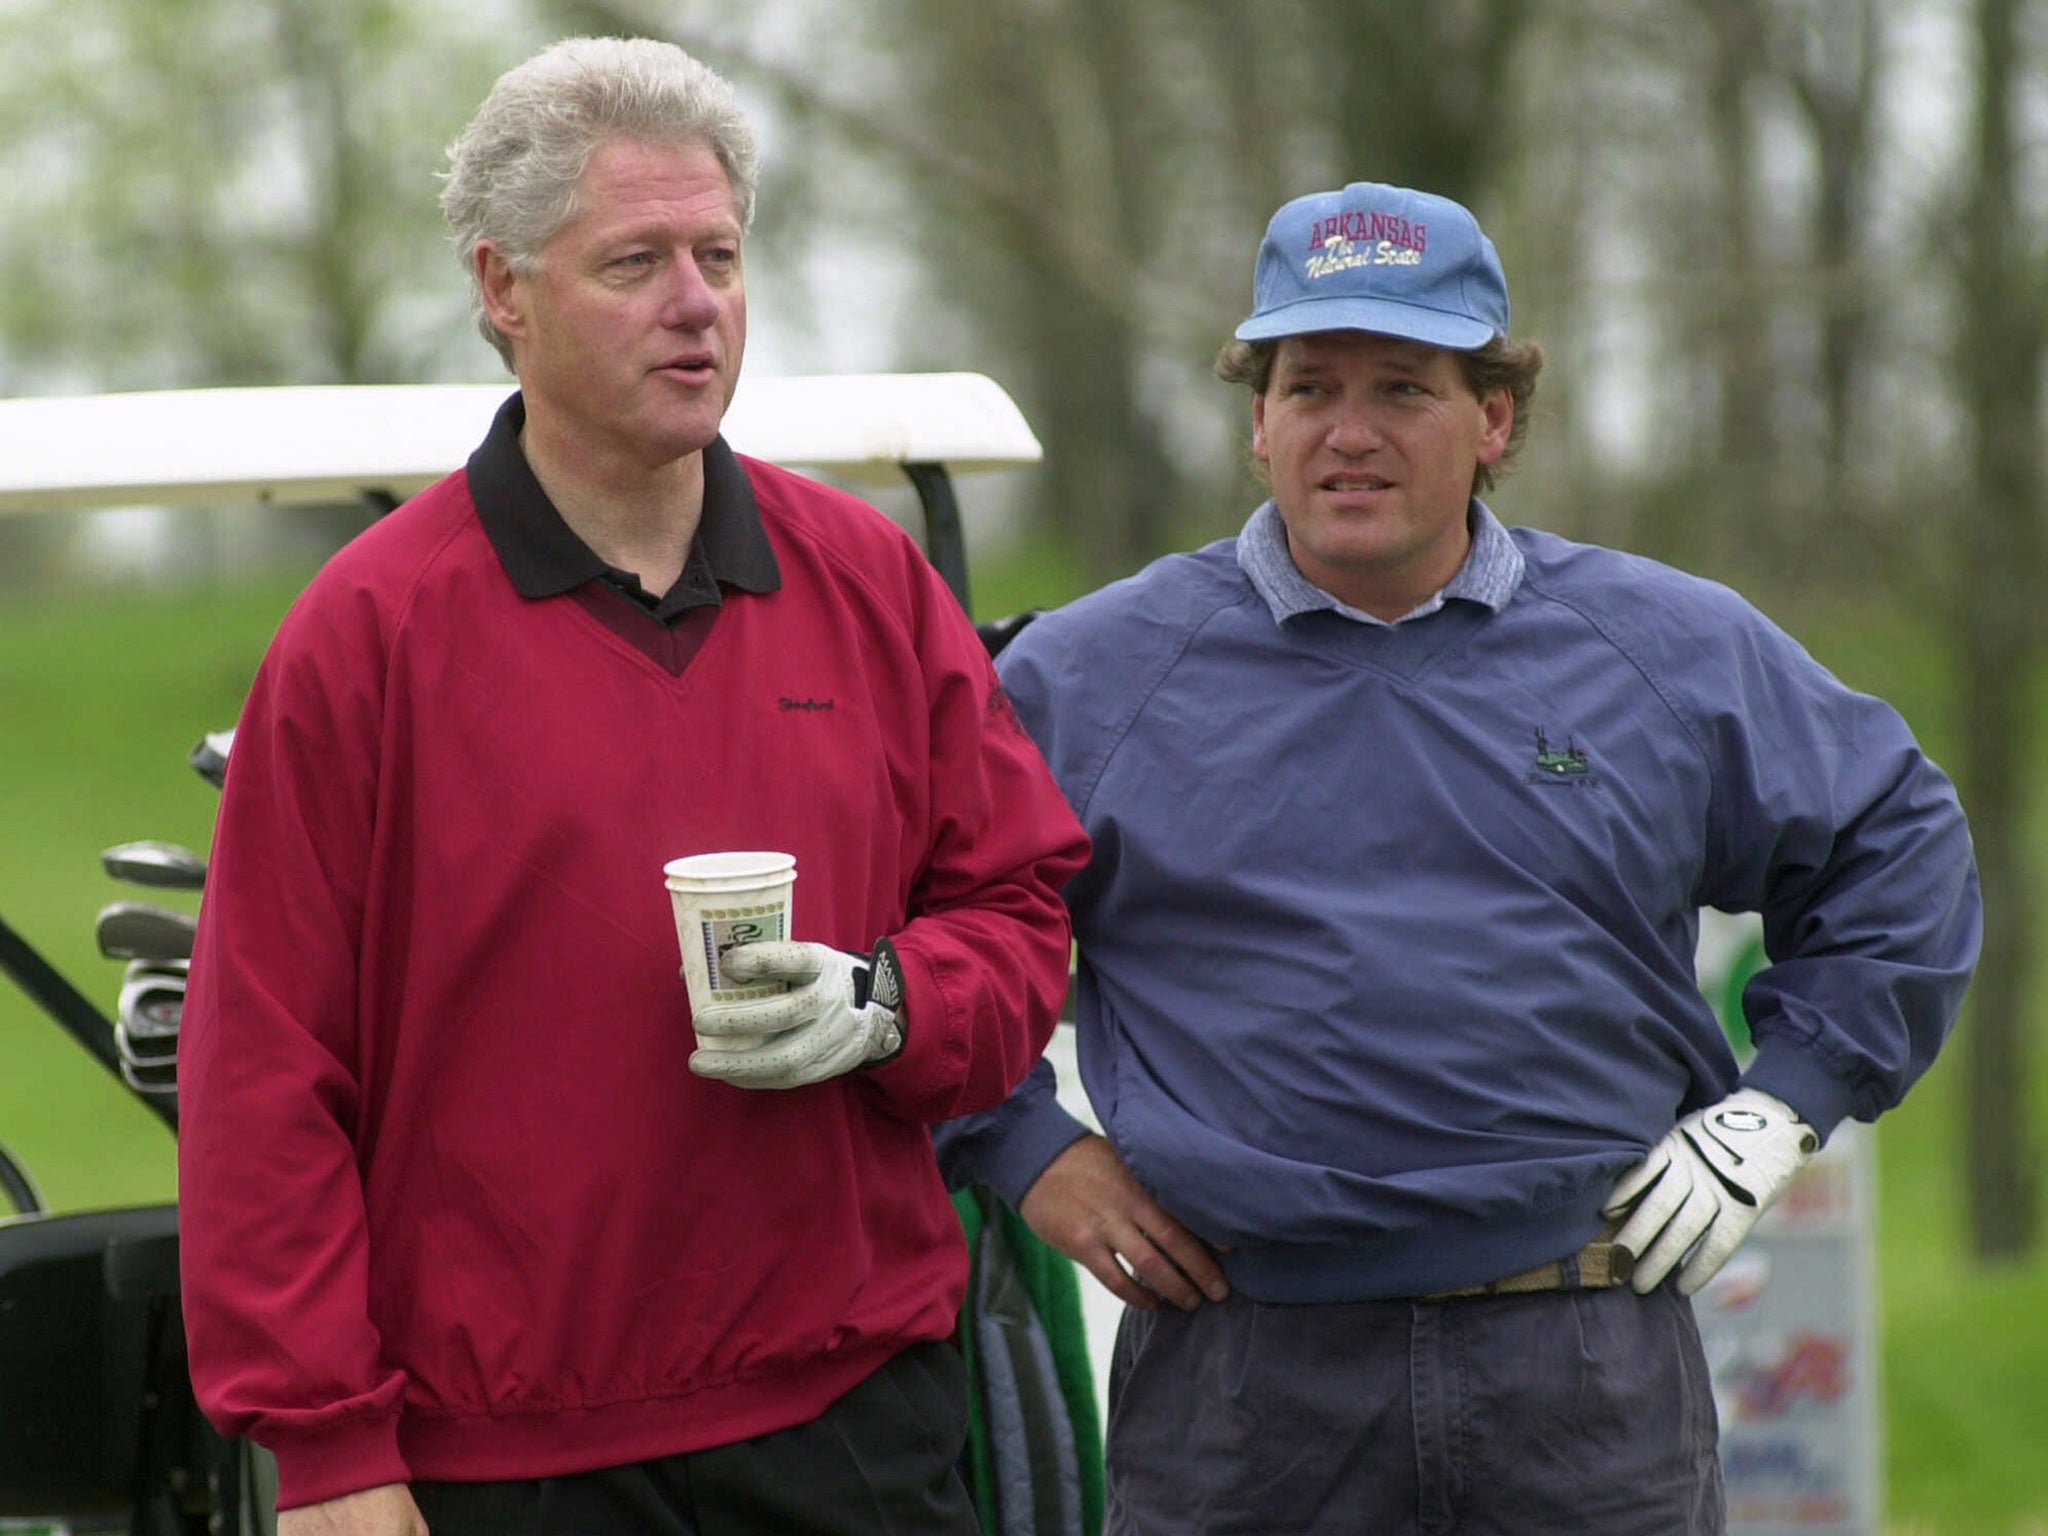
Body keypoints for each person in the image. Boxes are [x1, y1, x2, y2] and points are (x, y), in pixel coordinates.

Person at [933, 180, 1981, 1534]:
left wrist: (1779, 1106)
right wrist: (1019, 1142)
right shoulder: (1095, 671)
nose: (1349, 434)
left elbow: (1896, 844)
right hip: (1244, 1394)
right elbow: (915, 894)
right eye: (1310, 387)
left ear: (1494, 419)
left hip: (1584, 1378)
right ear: (1258, 422)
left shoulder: (1665, 650)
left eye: (1404, 389)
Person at [177, 36, 1089, 1536]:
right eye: (635, 262)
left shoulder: (869, 582)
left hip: (854, 1426)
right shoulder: (368, 635)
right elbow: (263, 1076)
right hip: (502, 1464)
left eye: (720, 255)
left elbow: (1014, 908)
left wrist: (891, 1003)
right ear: (502, 289)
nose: (696, 304)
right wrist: (329, 1451)